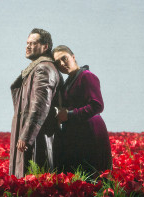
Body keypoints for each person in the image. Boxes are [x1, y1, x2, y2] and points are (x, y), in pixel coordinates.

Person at [9, 28, 63, 178]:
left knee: (34, 181)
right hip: (34, 135)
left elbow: (40, 105)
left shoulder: (43, 69)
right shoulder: (36, 68)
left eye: (33, 43)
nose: (27, 46)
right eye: (27, 43)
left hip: (37, 138)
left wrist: (26, 136)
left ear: (45, 47)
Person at [52, 45, 112, 175]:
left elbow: (97, 105)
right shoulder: (68, 82)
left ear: (73, 57)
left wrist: (69, 114)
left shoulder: (87, 76)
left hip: (91, 132)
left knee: (94, 177)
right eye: (58, 63)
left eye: (65, 58)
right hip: (77, 134)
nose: (62, 64)